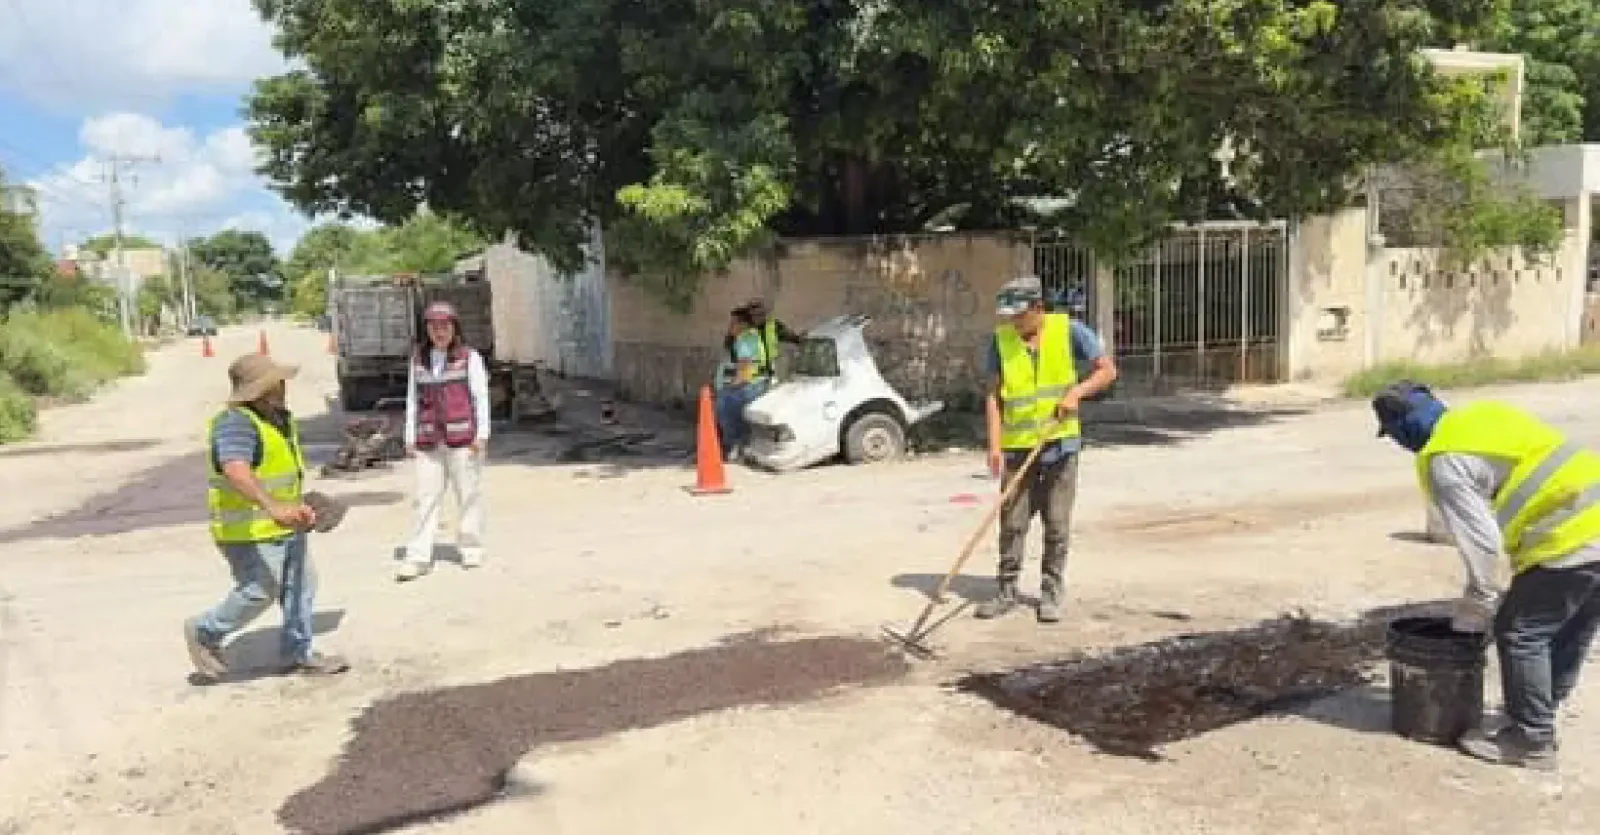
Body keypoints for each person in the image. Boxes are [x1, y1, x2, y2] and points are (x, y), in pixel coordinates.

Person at [1373, 380, 1600, 771]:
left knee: (1519, 630)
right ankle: (1541, 709)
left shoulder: (1443, 460)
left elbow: (1483, 544)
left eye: (1393, 434)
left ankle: (1531, 739)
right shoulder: (1481, 415)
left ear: (1403, 428)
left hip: (1571, 535)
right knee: (1573, 623)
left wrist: (1478, 605)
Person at [183, 353, 348, 681]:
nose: (283, 387)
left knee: (301, 585)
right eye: (275, 383)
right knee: (260, 588)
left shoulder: (276, 418)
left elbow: (276, 471)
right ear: (258, 390)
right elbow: (235, 469)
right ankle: (205, 631)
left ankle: (298, 653)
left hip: (284, 524)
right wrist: (273, 507)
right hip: (247, 529)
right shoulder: (235, 423)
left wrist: (302, 505)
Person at [975, 275, 1118, 623]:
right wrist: (994, 445)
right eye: (1009, 315)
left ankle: (1051, 592)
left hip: (1061, 444)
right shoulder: (1000, 341)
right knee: (1012, 522)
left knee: (1057, 523)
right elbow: (994, 396)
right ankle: (1006, 591)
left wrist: (1076, 393)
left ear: (1038, 308)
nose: (1013, 321)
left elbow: (1107, 371)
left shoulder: (1069, 330)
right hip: (1018, 447)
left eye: (1019, 314)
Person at [396, 301, 491, 581]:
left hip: (463, 439)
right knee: (425, 499)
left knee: (468, 495)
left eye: (445, 326)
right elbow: (412, 399)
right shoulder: (418, 360)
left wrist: (482, 434)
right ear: (427, 330)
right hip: (429, 440)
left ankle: (471, 548)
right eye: (434, 326)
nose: (440, 332)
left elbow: (480, 398)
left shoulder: (469, 357)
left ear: (454, 328)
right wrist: (409, 436)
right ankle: (418, 556)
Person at [715, 306, 773, 462]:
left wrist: (729, 387)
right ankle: (738, 444)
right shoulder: (749, 337)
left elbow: (744, 373)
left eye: (733, 323)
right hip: (756, 382)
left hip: (751, 385)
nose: (730, 327)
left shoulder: (745, 340)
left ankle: (734, 445)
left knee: (724, 405)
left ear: (743, 324)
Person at [724, 298, 803, 380]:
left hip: (766, 372)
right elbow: (729, 345)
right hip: (746, 372)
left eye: (761, 314)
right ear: (749, 315)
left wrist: (798, 339)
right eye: (754, 314)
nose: (758, 317)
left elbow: (789, 335)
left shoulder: (773, 326)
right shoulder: (744, 328)